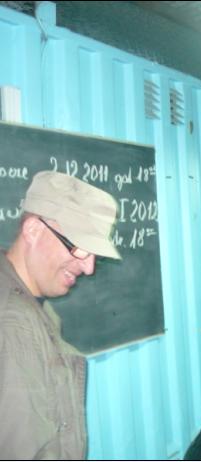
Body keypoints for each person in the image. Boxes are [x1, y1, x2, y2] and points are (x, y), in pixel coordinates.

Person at [0, 171, 121, 459]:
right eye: (79, 248)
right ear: (33, 230)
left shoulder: (32, 305)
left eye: (95, 255)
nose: (89, 268)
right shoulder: (11, 323)